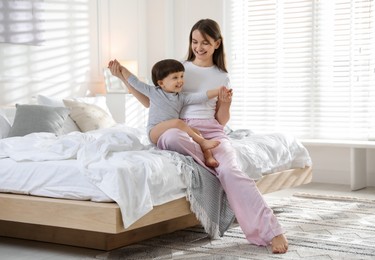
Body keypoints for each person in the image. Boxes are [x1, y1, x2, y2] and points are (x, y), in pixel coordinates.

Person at [108, 18, 288, 254]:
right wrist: (124, 78)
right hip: (180, 129)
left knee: (231, 171)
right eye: (194, 41)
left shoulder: (222, 77)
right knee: (172, 138)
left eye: (205, 42)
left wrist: (226, 104)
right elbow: (151, 101)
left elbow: (221, 120)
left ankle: (272, 231)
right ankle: (209, 160)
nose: (199, 47)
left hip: (212, 132)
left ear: (217, 44)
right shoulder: (178, 69)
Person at [108, 58, 232, 167]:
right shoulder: (153, 92)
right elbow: (134, 81)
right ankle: (202, 142)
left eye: (181, 76)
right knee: (178, 123)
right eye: (175, 78)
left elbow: (201, 96)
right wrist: (121, 69)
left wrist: (219, 91)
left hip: (170, 131)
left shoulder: (181, 97)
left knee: (197, 132)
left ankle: (208, 156)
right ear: (161, 83)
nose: (180, 81)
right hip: (155, 131)